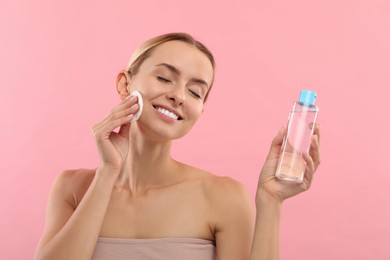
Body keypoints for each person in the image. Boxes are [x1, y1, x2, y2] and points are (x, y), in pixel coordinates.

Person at [34, 32, 320, 260]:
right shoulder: (71, 188)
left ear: (200, 110)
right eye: (164, 78)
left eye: (195, 92)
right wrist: (108, 172)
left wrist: (271, 201)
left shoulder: (223, 196)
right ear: (124, 83)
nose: (179, 96)